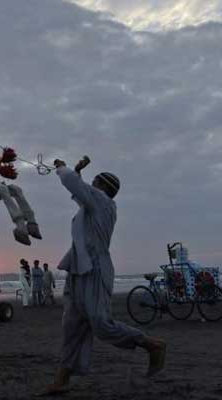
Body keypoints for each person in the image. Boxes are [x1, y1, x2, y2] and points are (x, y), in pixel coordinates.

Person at [43, 157, 166, 395]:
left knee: (100, 324)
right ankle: (62, 380)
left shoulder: (103, 202)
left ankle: (152, 345)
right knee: (72, 325)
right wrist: (77, 172)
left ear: (102, 187)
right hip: (79, 269)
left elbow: (72, 184)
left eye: (94, 182)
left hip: (96, 269)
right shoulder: (91, 205)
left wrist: (62, 167)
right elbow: (80, 192)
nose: (90, 185)